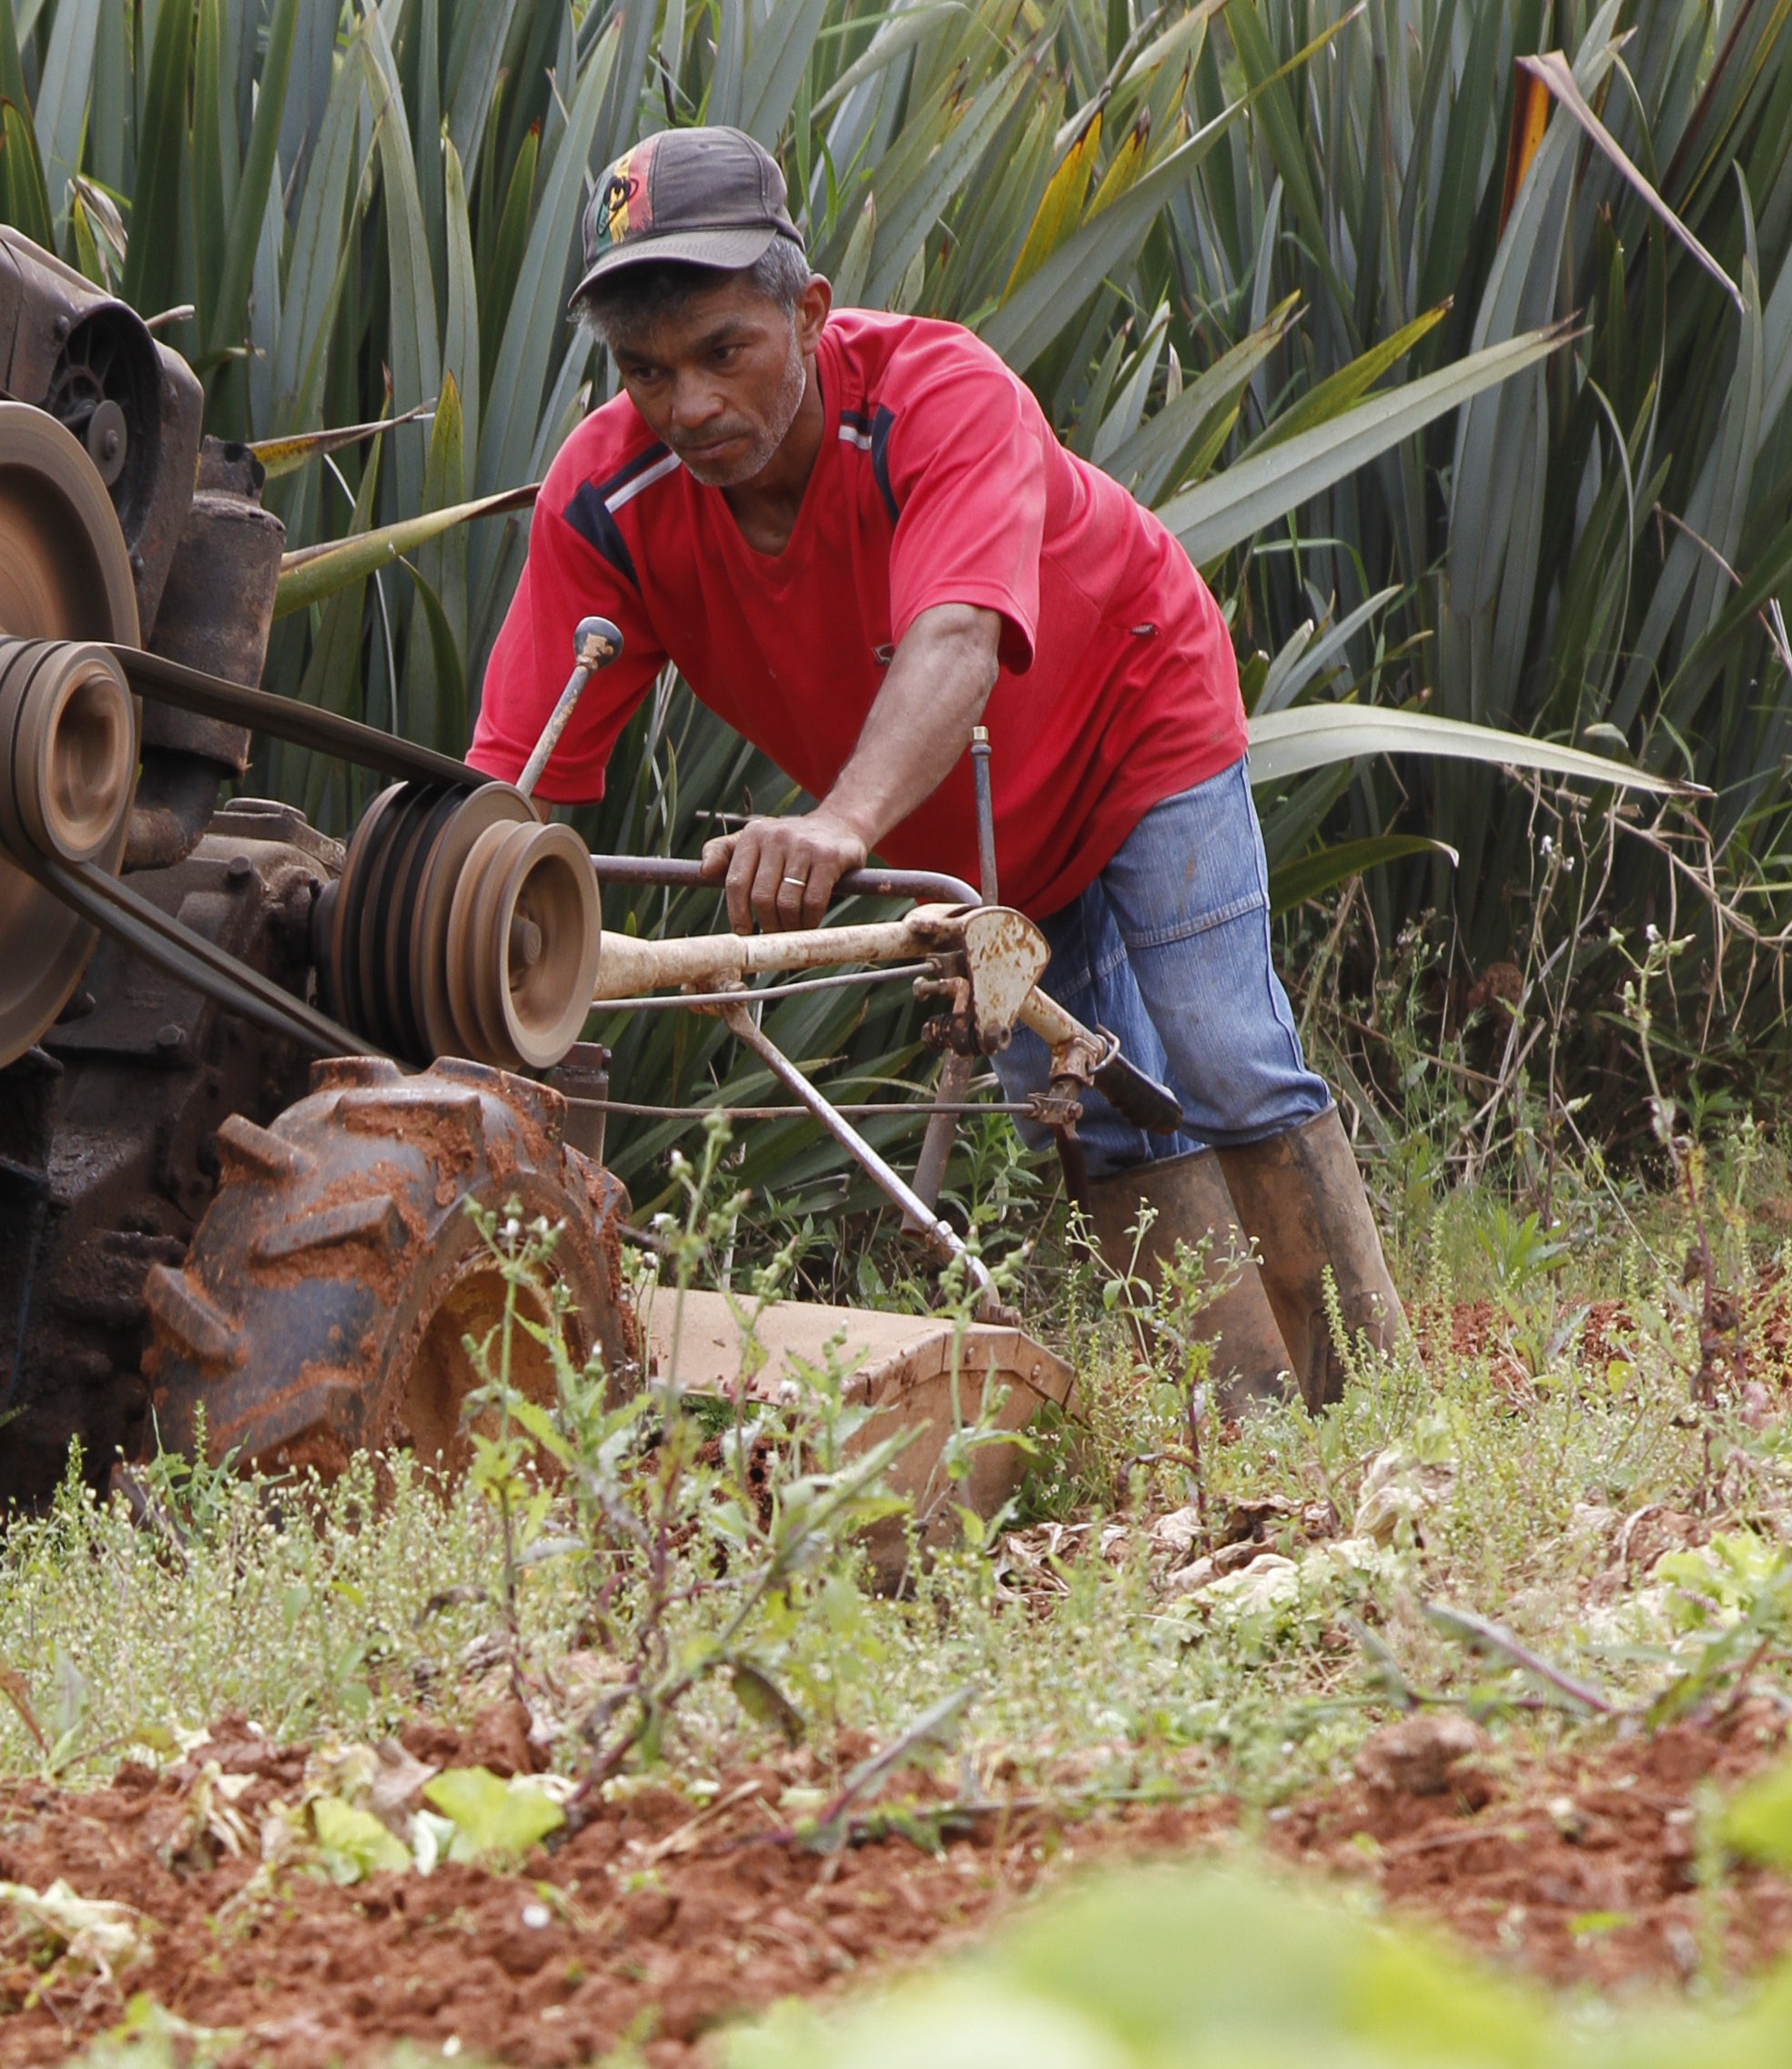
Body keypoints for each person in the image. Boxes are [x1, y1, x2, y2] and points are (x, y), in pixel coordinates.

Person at [470, 124, 1406, 1413]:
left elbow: (959, 636)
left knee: (1219, 1050)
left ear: (806, 312)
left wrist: (840, 825)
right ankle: (1249, 1425)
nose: (687, 406)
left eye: (721, 352)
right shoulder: (605, 499)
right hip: (964, 818)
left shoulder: (937, 395)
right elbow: (523, 775)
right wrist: (473, 925)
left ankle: (1376, 1402)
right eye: (645, 370)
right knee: (1089, 1108)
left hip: (1133, 720)